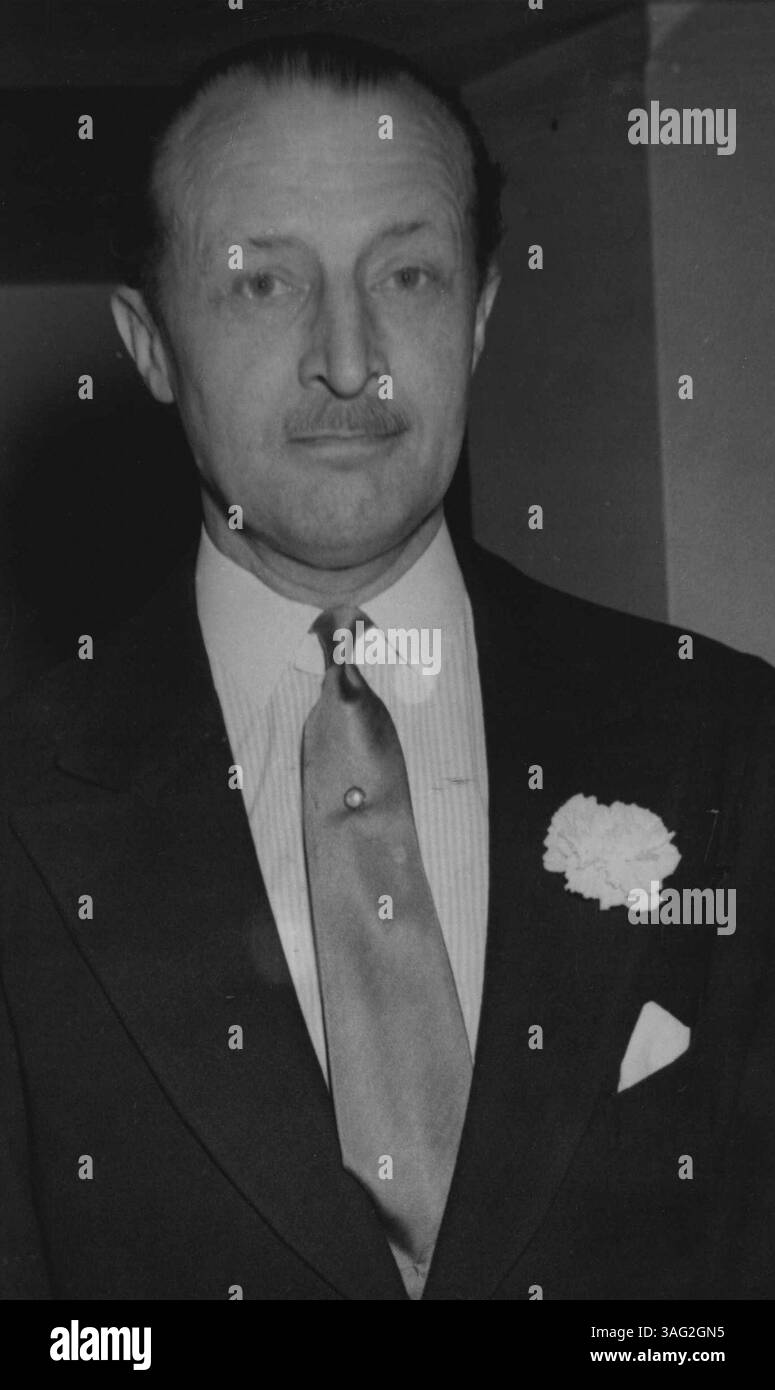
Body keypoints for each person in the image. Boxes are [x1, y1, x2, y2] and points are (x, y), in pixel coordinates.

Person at [1, 31, 773, 1302]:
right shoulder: (24, 805)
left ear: (477, 318)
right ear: (148, 344)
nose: (351, 361)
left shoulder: (723, 739)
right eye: (263, 283)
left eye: (406, 275)